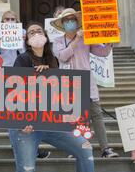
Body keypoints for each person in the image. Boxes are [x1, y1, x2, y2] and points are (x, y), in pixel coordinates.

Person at [10, 22, 113, 172]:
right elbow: (13, 93)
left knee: (84, 147)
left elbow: (57, 94)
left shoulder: (53, 59)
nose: (36, 34)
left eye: (39, 31)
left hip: (49, 122)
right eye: (31, 33)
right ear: (26, 40)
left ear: (46, 36)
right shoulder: (22, 60)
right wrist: (21, 119)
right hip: (25, 126)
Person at [51, 8, 119, 158]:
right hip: (69, 84)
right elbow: (62, 56)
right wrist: (76, 40)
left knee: (96, 115)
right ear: (62, 24)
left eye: (72, 19)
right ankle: (76, 149)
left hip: (87, 82)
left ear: (77, 21)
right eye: (67, 20)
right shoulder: (57, 41)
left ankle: (105, 148)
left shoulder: (86, 38)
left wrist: (109, 40)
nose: (70, 22)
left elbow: (102, 52)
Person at [0, 10, 51, 159]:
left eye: (12, 18)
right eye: (6, 19)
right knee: (12, 113)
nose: (9, 21)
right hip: (5, 75)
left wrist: (21, 41)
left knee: (31, 111)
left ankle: (34, 146)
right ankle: (17, 144)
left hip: (23, 72)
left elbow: (26, 52)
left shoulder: (23, 33)